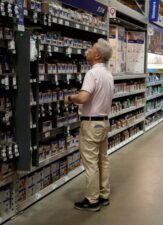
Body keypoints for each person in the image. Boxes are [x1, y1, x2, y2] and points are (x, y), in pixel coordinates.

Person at [64, 38, 114, 212]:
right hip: (104, 122)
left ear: (97, 55)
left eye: (91, 48)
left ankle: (91, 200)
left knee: (91, 163)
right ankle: (103, 195)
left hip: (91, 124)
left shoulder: (92, 73)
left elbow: (84, 98)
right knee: (103, 160)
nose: (88, 50)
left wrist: (71, 98)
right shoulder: (108, 74)